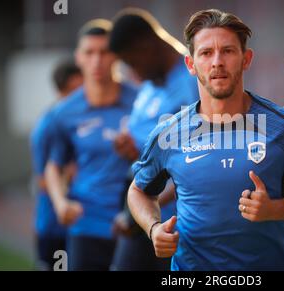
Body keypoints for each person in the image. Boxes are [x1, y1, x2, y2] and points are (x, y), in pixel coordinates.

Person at [127, 9, 284, 271]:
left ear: (246, 59)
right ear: (191, 64)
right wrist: (154, 229)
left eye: (228, 51)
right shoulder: (170, 131)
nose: (217, 62)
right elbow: (139, 191)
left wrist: (275, 209)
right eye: (206, 53)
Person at [107, 8, 199, 271]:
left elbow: (199, 158)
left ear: (146, 46)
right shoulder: (150, 83)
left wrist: (140, 210)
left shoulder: (193, 80)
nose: (132, 72)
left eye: (131, 61)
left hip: (175, 224)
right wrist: (131, 146)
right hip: (144, 216)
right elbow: (148, 145)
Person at [44, 19, 138, 270]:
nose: (97, 61)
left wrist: (134, 152)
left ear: (117, 55)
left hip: (135, 221)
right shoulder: (64, 112)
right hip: (87, 223)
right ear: (78, 57)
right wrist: (60, 202)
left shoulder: (142, 102)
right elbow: (54, 166)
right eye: (89, 52)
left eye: (104, 52)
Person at [30, 60, 82, 270]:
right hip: (54, 228)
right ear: (64, 90)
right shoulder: (50, 125)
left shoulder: (74, 120)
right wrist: (71, 176)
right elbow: (42, 180)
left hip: (76, 227)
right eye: (78, 91)